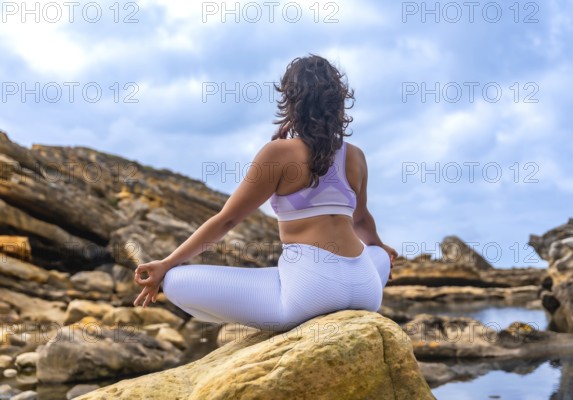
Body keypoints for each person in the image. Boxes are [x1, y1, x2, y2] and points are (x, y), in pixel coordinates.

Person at [133, 54, 398, 332]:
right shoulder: (355, 156)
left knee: (174, 281)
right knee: (377, 255)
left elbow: (227, 220)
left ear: (292, 100)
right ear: (338, 102)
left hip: (312, 291)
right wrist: (380, 246)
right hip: (366, 290)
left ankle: (276, 310)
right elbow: (361, 220)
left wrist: (166, 263)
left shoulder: (278, 153)